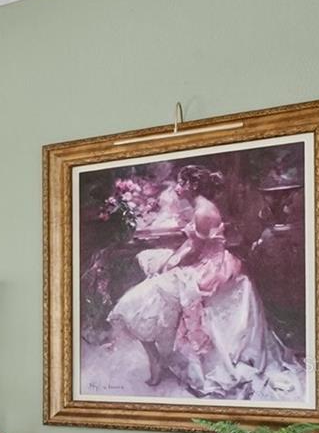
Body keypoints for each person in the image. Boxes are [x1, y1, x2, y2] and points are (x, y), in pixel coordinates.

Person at [106, 169, 304, 401]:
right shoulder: (199, 207)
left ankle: (160, 353)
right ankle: (157, 350)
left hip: (211, 267)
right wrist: (170, 260)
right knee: (151, 272)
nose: (177, 187)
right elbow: (190, 245)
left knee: (153, 291)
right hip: (203, 260)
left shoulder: (203, 211)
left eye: (181, 183)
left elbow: (194, 251)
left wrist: (171, 263)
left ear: (192, 185)